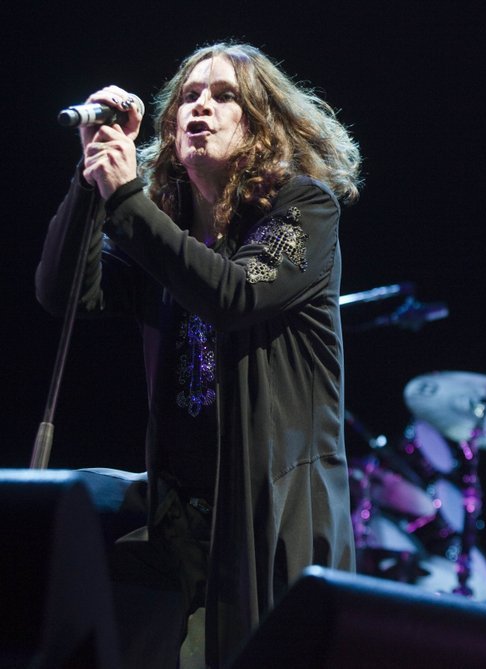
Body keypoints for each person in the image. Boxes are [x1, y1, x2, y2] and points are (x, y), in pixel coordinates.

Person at [36, 42, 361, 667]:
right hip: (181, 520)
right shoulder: (166, 227)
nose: (200, 107)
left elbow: (235, 294)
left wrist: (126, 201)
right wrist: (90, 181)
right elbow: (65, 292)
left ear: (260, 123)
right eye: (189, 96)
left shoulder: (303, 208)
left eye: (223, 95)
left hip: (270, 514)